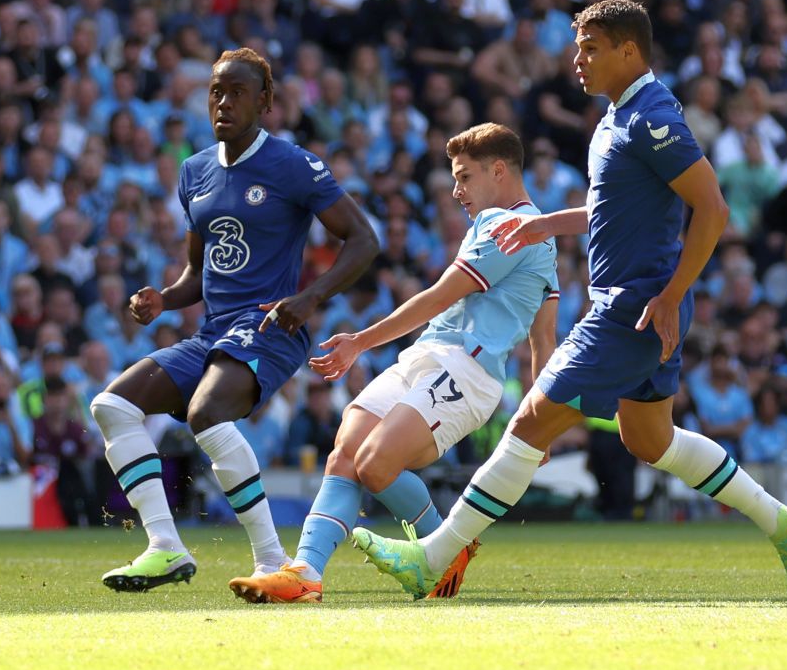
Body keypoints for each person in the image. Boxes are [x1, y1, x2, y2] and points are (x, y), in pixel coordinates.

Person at [354, 0, 787, 599]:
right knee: (649, 440)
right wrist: (547, 224)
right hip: (639, 303)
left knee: (530, 421)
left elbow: (714, 207)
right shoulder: (614, 120)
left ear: (630, 50)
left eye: (591, 48)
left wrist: (674, 294)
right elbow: (612, 207)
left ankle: (433, 557)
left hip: (634, 306)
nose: (578, 60)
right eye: (578, 48)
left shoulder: (651, 117)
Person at [230, 123, 558, 604]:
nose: (456, 189)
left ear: (500, 171)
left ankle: (445, 551)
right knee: (346, 450)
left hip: (467, 371)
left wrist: (360, 341)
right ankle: (305, 573)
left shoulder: (511, 229)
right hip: (430, 354)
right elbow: (543, 341)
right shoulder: (528, 234)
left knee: (375, 465)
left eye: (465, 177)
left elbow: (440, 298)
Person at [91, 47, 378, 591]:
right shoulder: (194, 171)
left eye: (238, 92)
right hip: (215, 332)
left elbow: (364, 240)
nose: (224, 102)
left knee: (207, 413)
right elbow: (197, 274)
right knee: (112, 407)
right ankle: (165, 547)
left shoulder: (293, 165)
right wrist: (162, 300)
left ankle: (274, 563)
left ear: (265, 102)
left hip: (271, 326)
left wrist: (311, 296)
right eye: (216, 92)